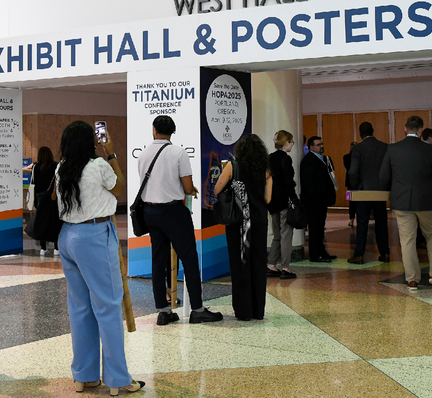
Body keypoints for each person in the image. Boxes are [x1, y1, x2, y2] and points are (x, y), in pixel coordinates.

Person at [56, 120, 143, 396]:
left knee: (80, 308)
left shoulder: (61, 168)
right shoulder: (98, 166)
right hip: (94, 236)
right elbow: (120, 190)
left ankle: (85, 375)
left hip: (68, 238)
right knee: (107, 306)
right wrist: (112, 153)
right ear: (90, 142)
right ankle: (118, 379)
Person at [138, 116, 222, 325]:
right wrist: (189, 188)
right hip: (173, 212)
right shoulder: (178, 153)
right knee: (189, 258)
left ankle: (163, 311)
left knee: (158, 261)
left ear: (154, 130)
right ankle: (197, 309)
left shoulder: (143, 154)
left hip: (150, 212)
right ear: (172, 132)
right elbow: (186, 187)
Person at [380, 116, 432, 291]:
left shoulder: (393, 149)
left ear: (405, 129)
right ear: (420, 131)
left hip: (402, 202)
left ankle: (412, 280)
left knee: (407, 240)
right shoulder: (430, 150)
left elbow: (383, 177)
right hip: (427, 201)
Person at [213, 134, 272, 320]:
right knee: (258, 265)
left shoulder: (233, 166)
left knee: (240, 265)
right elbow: (268, 198)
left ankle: (243, 311)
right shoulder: (266, 170)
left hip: (238, 223)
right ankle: (257, 310)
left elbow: (217, 189)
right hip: (259, 221)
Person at [347, 122, 391, 264]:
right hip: (380, 190)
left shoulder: (358, 148)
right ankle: (385, 253)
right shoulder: (384, 147)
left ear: (361, 133)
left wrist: (354, 188)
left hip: (363, 190)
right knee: (381, 222)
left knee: (362, 222)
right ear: (373, 131)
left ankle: (359, 254)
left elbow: (353, 171)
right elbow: (388, 169)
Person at [265, 130, 298, 279]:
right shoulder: (286, 158)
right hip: (284, 200)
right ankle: (285, 267)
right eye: (292, 142)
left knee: (277, 234)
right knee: (286, 234)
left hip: (271, 201)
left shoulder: (269, 158)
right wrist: (293, 186)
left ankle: (271, 264)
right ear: (286, 143)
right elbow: (287, 181)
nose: (292, 145)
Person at [300, 136, 335, 263]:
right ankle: (315, 255)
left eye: (322, 143)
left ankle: (322, 251)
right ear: (311, 147)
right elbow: (309, 184)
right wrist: (316, 197)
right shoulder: (309, 160)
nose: (322, 146)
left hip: (321, 201)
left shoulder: (324, 159)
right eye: (319, 144)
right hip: (313, 202)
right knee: (314, 229)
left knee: (320, 228)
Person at [23, 146, 59, 256]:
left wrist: (31, 169)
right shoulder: (55, 166)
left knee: (41, 221)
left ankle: (43, 248)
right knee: (54, 222)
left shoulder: (35, 166)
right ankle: (56, 247)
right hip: (53, 198)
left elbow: (23, 170)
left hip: (39, 198)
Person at [343, 142, 356, 227]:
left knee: (351, 202)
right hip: (356, 181)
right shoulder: (349, 157)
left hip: (350, 182)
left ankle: (351, 219)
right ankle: (352, 218)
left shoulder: (346, 157)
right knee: (353, 201)